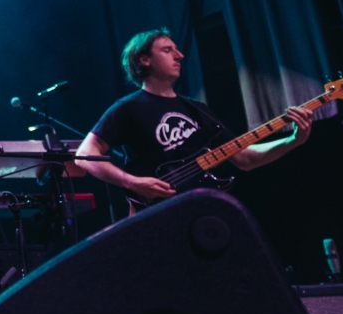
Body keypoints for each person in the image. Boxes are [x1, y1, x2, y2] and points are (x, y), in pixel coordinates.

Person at [76, 28, 312, 207]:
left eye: (177, 50)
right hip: (158, 212)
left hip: (203, 210)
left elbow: (244, 158)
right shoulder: (128, 108)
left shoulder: (198, 109)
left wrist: (292, 140)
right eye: (167, 50)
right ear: (144, 59)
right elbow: (84, 155)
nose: (179, 55)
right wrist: (132, 182)